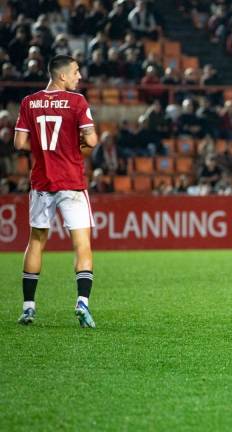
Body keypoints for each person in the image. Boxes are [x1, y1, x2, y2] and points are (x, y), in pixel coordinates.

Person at [13, 55, 98, 328]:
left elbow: (19, 143)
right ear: (62, 76)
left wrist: (44, 151)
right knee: (82, 242)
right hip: (71, 181)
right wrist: (71, 149)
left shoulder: (29, 102)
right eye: (75, 71)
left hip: (41, 182)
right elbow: (92, 140)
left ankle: (28, 308)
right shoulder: (77, 102)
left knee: (36, 241)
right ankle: (82, 303)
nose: (79, 76)